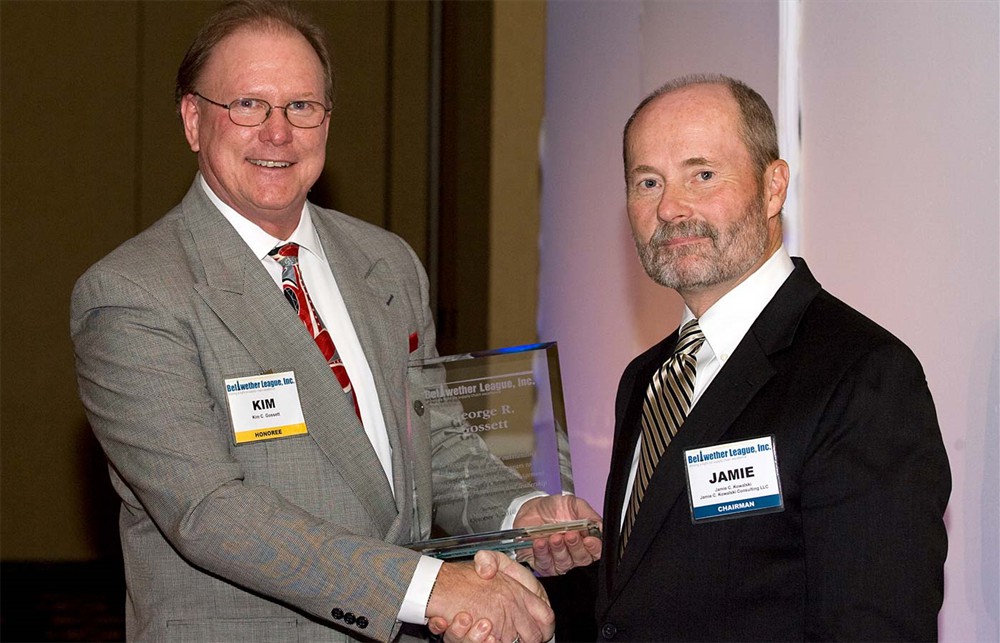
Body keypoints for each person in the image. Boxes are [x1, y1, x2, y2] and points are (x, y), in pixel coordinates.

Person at [70, 2, 599, 641]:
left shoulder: (388, 263)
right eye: (247, 105)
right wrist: (430, 587)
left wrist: (522, 512)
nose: (277, 132)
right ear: (192, 120)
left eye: (301, 107)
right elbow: (211, 513)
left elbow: (434, 444)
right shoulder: (134, 294)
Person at [443, 74, 951, 642]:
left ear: (774, 186)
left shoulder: (863, 375)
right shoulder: (647, 378)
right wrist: (537, 605)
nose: (670, 207)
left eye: (701, 174)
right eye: (648, 182)